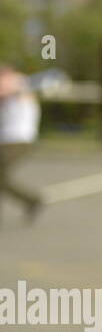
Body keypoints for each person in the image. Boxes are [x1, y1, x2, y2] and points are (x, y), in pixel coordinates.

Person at [0, 64, 42, 225]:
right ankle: (32, 201)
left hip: (18, 140)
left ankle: (32, 200)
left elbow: (14, 89)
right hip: (5, 141)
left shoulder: (21, 85)